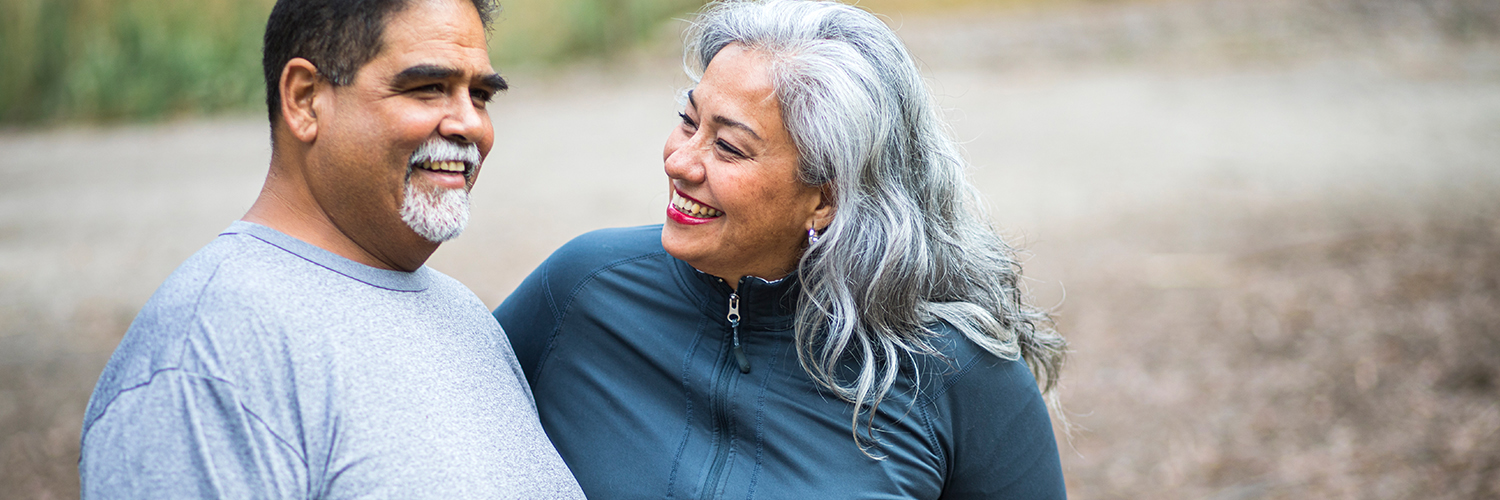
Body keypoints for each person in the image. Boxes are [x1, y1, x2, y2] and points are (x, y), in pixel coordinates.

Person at [493, 0, 1069, 498]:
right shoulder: (584, 290)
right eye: (687, 121)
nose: (679, 161)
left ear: (827, 198)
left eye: (728, 147)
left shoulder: (958, 372)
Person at [78, 0, 584, 497]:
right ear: (304, 99)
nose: (470, 124)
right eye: (429, 88)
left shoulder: (465, 318)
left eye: (479, 95)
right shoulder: (209, 350)